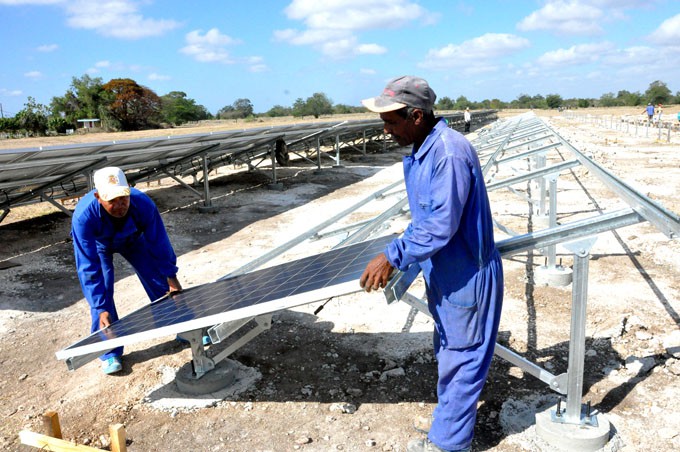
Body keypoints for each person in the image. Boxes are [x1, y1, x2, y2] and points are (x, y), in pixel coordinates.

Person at [359, 76, 503, 452]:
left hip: (466, 276)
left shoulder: (449, 154)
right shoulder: (424, 148)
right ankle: (447, 431)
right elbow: (427, 217)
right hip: (445, 270)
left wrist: (393, 254)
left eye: (391, 122)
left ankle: (448, 445)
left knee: (462, 361)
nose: (386, 130)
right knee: (451, 352)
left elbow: (440, 224)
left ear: (417, 116)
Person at [71, 167, 182, 375]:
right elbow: (87, 266)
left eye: (123, 198)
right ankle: (109, 351)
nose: (119, 206)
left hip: (133, 240)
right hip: (100, 245)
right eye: (111, 201)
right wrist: (99, 305)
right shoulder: (83, 217)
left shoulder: (143, 204)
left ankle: (181, 325)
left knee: (158, 280)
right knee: (102, 294)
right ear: (98, 197)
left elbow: (159, 242)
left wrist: (170, 275)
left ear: (129, 191)